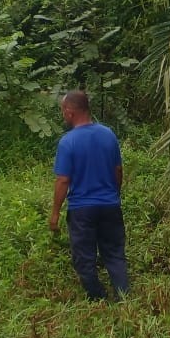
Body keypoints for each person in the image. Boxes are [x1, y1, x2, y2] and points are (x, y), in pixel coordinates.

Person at [49, 90, 129, 301]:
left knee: (84, 259)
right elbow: (118, 170)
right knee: (114, 254)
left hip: (82, 209)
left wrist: (55, 213)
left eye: (62, 110)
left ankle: (99, 298)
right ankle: (123, 298)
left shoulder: (68, 142)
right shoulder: (108, 134)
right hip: (110, 205)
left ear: (69, 112)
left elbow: (63, 180)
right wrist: (114, 194)